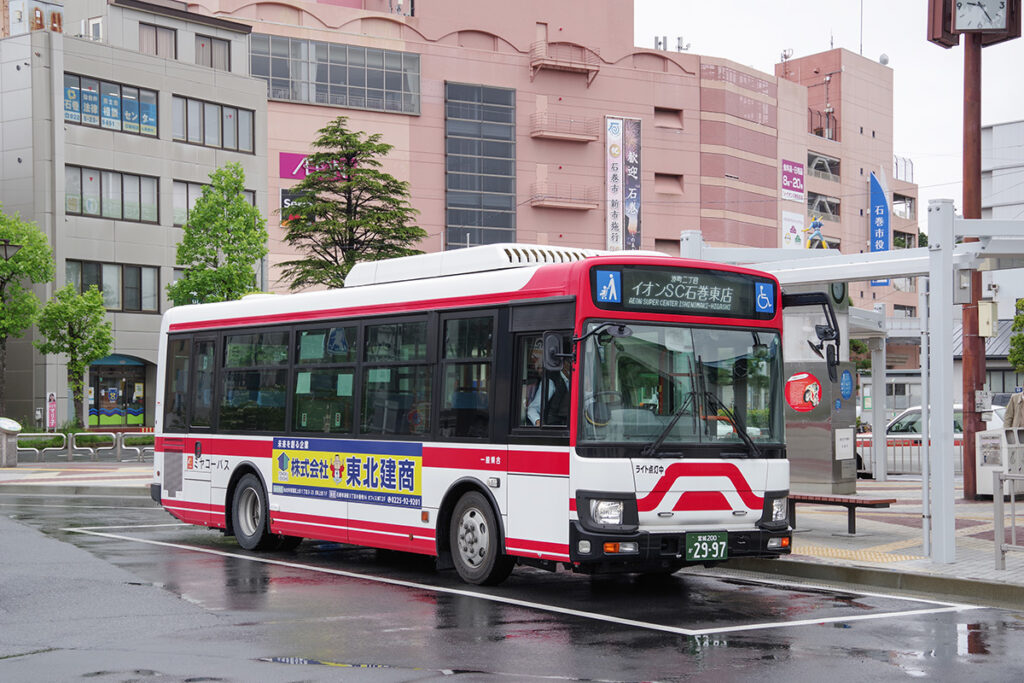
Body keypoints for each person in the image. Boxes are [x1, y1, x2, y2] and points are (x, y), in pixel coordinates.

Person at [527, 360, 571, 426]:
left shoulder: (575, 381)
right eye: (570, 362)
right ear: (564, 363)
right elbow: (533, 408)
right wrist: (537, 421)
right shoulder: (550, 381)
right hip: (553, 428)